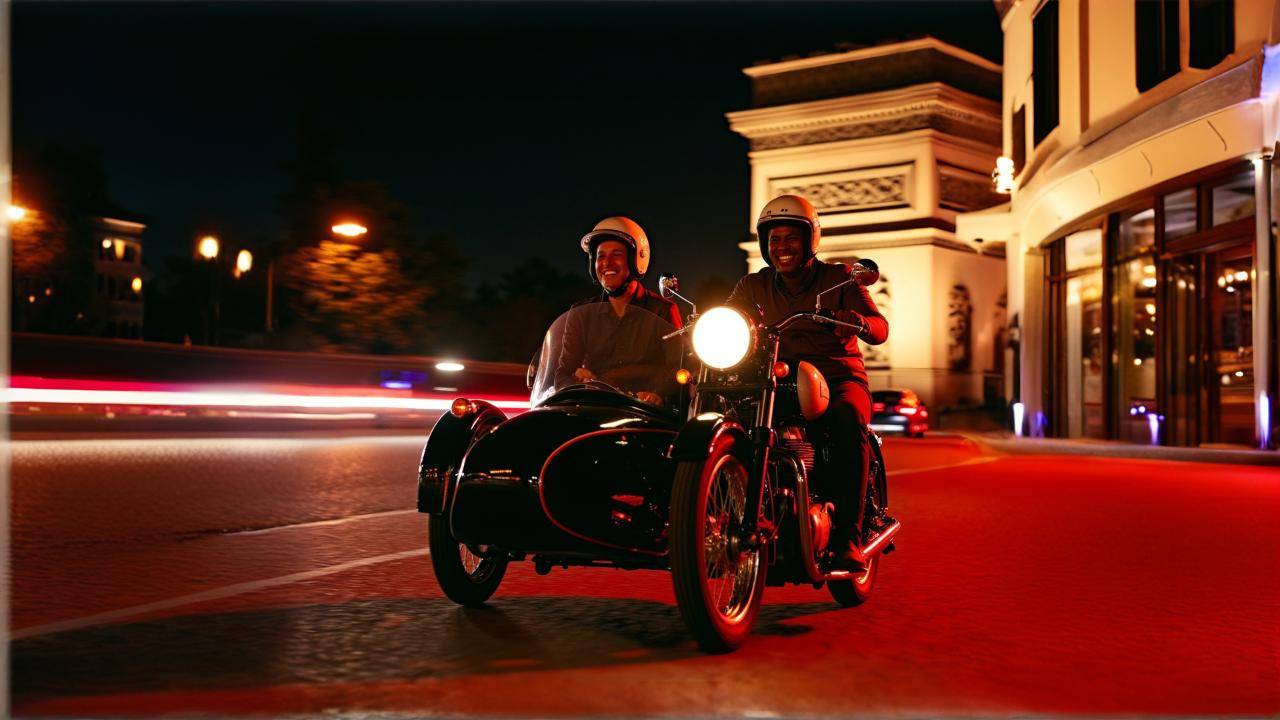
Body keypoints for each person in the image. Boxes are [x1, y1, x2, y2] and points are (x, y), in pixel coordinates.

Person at [726, 194, 888, 570]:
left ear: (810, 238)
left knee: (848, 420)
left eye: (790, 238)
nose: (782, 247)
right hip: (777, 380)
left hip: (836, 377)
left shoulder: (839, 279)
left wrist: (851, 320)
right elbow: (729, 312)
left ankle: (848, 533)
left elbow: (879, 328)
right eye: (774, 239)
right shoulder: (753, 285)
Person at [553, 216, 683, 406]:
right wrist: (581, 382)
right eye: (601, 256)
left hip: (645, 414)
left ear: (635, 259)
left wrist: (658, 394)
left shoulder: (662, 310)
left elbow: (677, 370)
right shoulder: (581, 313)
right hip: (595, 411)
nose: (607, 263)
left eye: (617, 254)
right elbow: (562, 374)